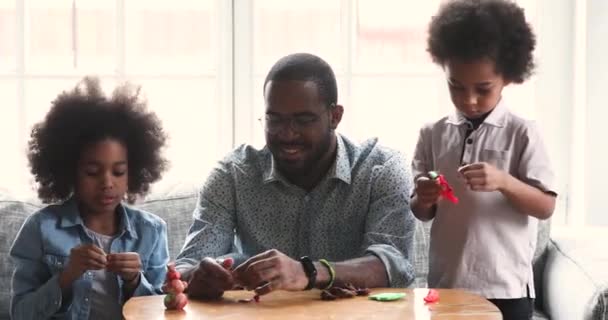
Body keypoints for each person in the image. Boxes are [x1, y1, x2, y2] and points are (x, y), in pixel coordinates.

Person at [175, 53, 415, 299]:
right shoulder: (232, 176)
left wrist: (308, 272)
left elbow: (393, 266)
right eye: (274, 120)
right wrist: (197, 276)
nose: (287, 134)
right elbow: (184, 268)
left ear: (335, 116)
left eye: (303, 120)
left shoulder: (381, 170)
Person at [411, 1, 557, 319]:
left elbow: (546, 206)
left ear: (508, 77)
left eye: (483, 88)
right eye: (456, 86)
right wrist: (423, 197)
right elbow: (421, 212)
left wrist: (504, 182)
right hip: (448, 287)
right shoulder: (431, 133)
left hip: (507, 289)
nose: (469, 99)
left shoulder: (523, 133)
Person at [10, 78, 170, 320]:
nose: (107, 182)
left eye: (118, 172)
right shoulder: (40, 228)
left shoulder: (152, 231)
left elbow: (164, 312)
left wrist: (134, 281)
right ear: (68, 170)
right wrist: (66, 276)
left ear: (134, 171)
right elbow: (21, 313)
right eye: (92, 172)